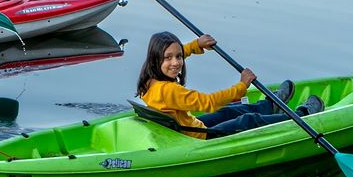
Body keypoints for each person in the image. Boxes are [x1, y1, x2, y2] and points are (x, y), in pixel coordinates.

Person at [134, 31, 323, 138]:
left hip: (189, 127)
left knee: (227, 112)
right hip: (197, 138)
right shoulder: (169, 90)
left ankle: (270, 105)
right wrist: (241, 86)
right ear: (155, 59)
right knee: (248, 120)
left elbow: (173, 52)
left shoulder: (150, 80)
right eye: (168, 58)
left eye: (178, 56)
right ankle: (302, 117)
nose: (176, 62)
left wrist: (195, 45)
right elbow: (207, 102)